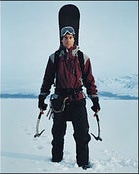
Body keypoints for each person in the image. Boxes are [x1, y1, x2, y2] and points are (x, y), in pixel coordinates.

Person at [38, 26, 100, 170]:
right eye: (65, 38)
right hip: (59, 101)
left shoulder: (82, 57)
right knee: (58, 134)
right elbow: (47, 79)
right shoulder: (54, 57)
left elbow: (89, 80)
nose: (68, 40)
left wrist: (95, 100)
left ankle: (83, 164)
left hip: (78, 100)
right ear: (61, 40)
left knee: (82, 134)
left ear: (74, 39)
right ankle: (55, 163)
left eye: (70, 37)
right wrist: (42, 98)